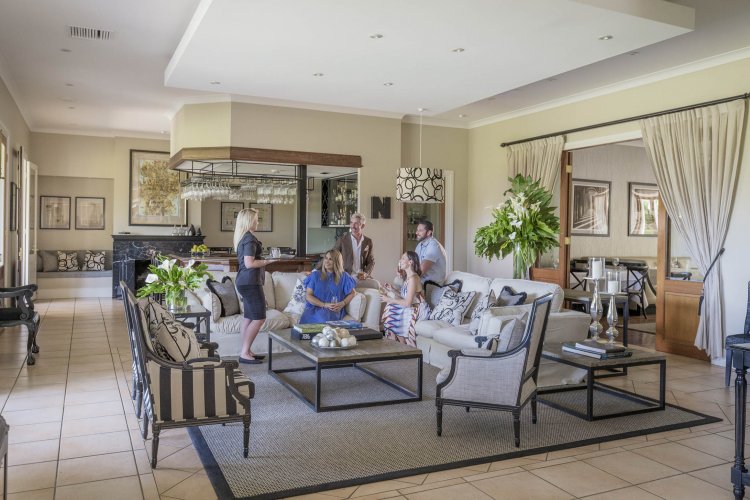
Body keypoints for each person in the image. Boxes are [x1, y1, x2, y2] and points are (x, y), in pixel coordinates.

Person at [234, 208, 276, 364]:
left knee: (249, 318)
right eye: (256, 219)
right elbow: (249, 263)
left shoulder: (243, 237)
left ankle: (246, 351)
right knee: (259, 318)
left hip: (244, 281)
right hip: (250, 282)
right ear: (249, 221)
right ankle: (245, 352)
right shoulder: (250, 239)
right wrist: (268, 261)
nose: (258, 222)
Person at [381, 251, 430, 347]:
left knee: (391, 307)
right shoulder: (409, 277)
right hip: (412, 304)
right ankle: (397, 343)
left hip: (418, 308)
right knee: (391, 307)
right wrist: (393, 289)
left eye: (403, 258)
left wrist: (388, 299)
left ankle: (402, 344)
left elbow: (408, 303)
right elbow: (405, 296)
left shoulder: (413, 278)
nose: (400, 260)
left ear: (410, 262)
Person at [299, 249, 357, 324]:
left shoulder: (344, 276)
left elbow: (353, 293)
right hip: (314, 309)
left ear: (336, 262)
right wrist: (324, 305)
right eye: (326, 258)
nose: (326, 261)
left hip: (332, 310)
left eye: (330, 259)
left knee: (324, 319)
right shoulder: (315, 275)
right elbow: (308, 296)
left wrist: (343, 303)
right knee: (318, 320)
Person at [333, 213, 374, 279]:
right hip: (345, 277)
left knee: (376, 284)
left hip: (361, 277)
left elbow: (371, 261)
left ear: (363, 226)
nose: (352, 226)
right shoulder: (342, 240)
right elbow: (332, 256)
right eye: (351, 223)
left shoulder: (368, 241)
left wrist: (366, 274)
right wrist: (316, 270)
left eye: (356, 223)